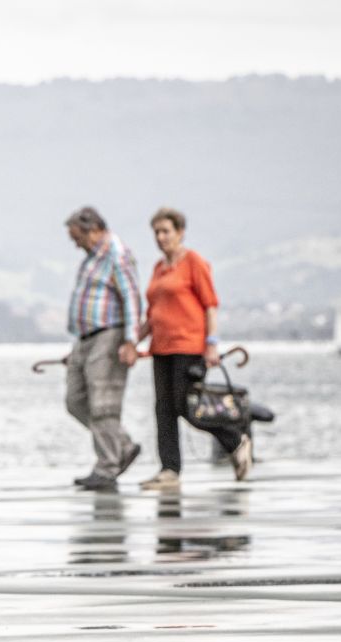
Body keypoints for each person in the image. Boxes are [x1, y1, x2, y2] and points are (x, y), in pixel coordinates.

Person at [136, 208, 253, 490]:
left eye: (166, 231)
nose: (161, 237)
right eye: (157, 232)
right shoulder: (159, 268)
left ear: (180, 232)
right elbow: (153, 313)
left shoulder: (194, 262)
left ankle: (235, 440)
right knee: (163, 409)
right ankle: (169, 470)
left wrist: (211, 344)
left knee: (188, 407)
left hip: (189, 346)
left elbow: (210, 305)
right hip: (161, 348)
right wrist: (132, 342)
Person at [63, 206, 144, 491]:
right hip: (86, 338)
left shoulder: (117, 255)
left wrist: (131, 341)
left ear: (93, 230)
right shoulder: (91, 257)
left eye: (77, 238)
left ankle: (108, 467)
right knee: (75, 401)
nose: (75, 244)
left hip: (110, 335)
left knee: (103, 404)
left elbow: (132, 299)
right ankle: (122, 445)